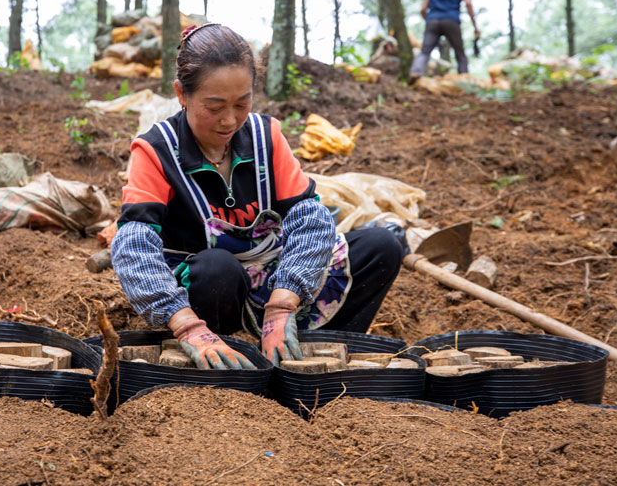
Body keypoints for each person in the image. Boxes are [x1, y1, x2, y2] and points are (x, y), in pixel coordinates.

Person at [111, 23, 404, 369]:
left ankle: (307, 353)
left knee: (381, 247)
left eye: (242, 102)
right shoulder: (156, 150)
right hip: (206, 292)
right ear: (181, 94)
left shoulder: (267, 136)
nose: (230, 120)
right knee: (216, 267)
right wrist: (186, 325)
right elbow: (133, 245)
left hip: (272, 276)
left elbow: (309, 218)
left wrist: (283, 303)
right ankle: (222, 356)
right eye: (214, 106)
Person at [409, 0, 480, 83]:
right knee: (460, 53)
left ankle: (416, 72)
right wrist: (475, 26)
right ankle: (464, 80)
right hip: (451, 20)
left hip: (432, 20)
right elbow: (468, 3)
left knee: (425, 52)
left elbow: (422, 9)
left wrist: (429, 20)